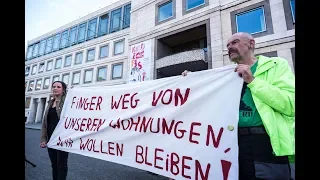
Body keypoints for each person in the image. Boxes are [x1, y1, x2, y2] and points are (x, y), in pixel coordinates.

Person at [181, 32, 295, 180]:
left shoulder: (276, 65)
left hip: (266, 144)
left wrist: (252, 81)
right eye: (227, 45)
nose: (230, 47)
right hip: (231, 143)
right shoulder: (227, 74)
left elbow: (290, 104)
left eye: (234, 42)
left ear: (251, 44)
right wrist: (193, 81)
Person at [40, 81, 69, 180]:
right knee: (54, 166)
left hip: (62, 140)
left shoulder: (66, 102)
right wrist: (43, 139)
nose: (55, 88)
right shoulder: (50, 103)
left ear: (63, 90)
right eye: (53, 86)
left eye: (58, 87)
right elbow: (45, 123)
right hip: (50, 139)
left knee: (62, 166)